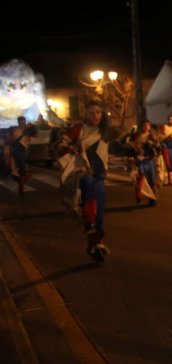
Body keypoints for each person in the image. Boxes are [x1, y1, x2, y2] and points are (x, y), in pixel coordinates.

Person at [58, 101, 123, 262]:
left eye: (98, 112)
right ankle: (89, 226)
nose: (95, 115)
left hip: (100, 174)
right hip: (82, 171)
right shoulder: (79, 129)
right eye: (92, 112)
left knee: (99, 213)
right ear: (86, 114)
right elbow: (60, 144)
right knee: (89, 193)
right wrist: (69, 148)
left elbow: (118, 146)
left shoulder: (105, 131)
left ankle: (95, 245)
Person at [131, 120, 159, 206]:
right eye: (144, 125)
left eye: (147, 125)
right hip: (140, 160)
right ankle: (139, 195)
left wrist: (153, 144)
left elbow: (158, 146)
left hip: (149, 160)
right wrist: (133, 154)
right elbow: (132, 146)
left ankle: (152, 199)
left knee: (151, 180)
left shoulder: (152, 136)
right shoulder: (137, 136)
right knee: (140, 180)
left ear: (149, 127)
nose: (146, 127)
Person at [9, 116, 37, 195]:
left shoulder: (29, 129)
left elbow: (35, 136)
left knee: (21, 169)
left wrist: (31, 129)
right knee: (14, 170)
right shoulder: (16, 129)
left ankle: (21, 186)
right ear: (18, 123)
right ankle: (22, 181)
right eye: (21, 122)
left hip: (22, 151)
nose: (23, 124)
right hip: (15, 150)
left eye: (23, 122)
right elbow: (12, 140)